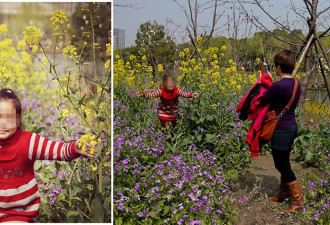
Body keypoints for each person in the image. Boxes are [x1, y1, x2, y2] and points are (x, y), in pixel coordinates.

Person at [0, 88, 96, 223]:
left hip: (17, 214)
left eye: (9, 118)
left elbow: (57, 150)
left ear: (17, 121)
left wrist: (74, 148)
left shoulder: (27, 142)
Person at [259, 50, 303, 213]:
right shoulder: (297, 83)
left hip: (281, 129)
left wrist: (267, 80)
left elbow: (263, 100)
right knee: (284, 161)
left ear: (279, 67)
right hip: (291, 127)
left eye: (275, 65)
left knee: (281, 164)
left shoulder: (278, 85)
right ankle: (284, 193)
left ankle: (298, 201)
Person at [135, 74, 199, 141]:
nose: (170, 84)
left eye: (172, 82)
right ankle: (167, 146)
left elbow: (184, 94)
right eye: (168, 83)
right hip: (164, 115)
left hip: (173, 115)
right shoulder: (161, 91)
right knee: (167, 132)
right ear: (164, 84)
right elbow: (151, 95)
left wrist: (192, 94)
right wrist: (142, 94)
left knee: (172, 131)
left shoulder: (177, 90)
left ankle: (170, 144)